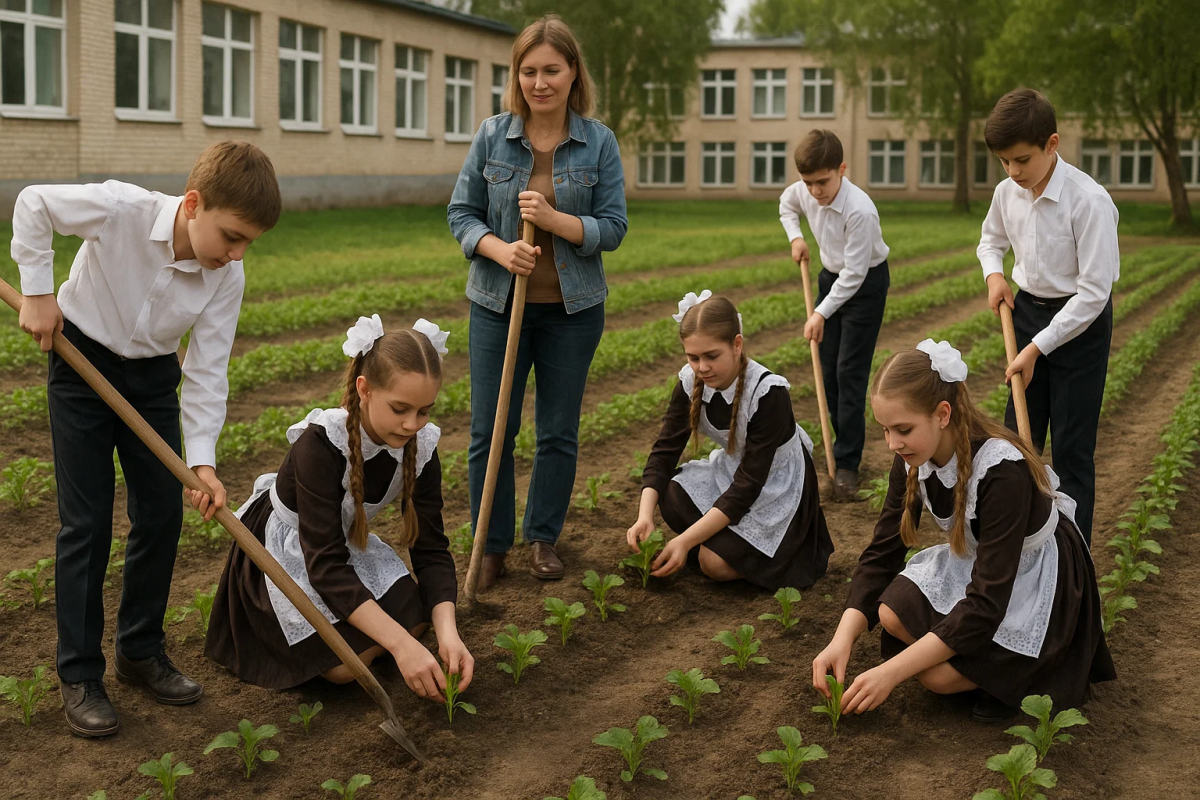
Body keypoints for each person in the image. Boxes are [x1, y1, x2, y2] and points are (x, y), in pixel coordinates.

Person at [10, 141, 281, 738]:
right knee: (86, 524)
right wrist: (38, 292)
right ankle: (80, 674)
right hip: (81, 364)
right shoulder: (121, 209)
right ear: (194, 204)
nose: (237, 253)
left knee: (161, 515)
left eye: (248, 243)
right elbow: (33, 204)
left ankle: (139, 650)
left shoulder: (226, 275)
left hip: (153, 380)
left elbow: (207, 369)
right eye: (232, 236)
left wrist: (202, 463)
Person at [812, 343, 1115, 723]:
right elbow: (881, 554)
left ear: (943, 414)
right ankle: (978, 664)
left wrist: (891, 672)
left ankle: (1021, 672)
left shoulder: (1001, 472)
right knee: (889, 613)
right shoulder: (911, 460)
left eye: (903, 429)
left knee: (935, 678)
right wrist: (841, 640)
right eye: (885, 430)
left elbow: (988, 602)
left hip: (1034, 580)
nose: (892, 443)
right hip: (984, 565)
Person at [447, 14, 627, 588]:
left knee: (557, 431)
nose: (540, 82)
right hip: (498, 306)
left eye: (551, 70)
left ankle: (543, 537)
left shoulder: (598, 142)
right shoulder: (492, 135)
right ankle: (490, 542)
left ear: (573, 72)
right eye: (529, 71)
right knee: (490, 430)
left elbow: (613, 227)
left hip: (573, 312)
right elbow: (461, 214)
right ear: (516, 75)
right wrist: (499, 250)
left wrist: (555, 220)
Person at [205, 317, 473, 702]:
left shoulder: (422, 448)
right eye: (400, 408)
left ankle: (379, 636)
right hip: (287, 553)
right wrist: (400, 646)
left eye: (424, 411)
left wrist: (449, 634)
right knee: (349, 665)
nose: (411, 424)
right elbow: (325, 565)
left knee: (417, 619)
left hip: (338, 544)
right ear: (364, 389)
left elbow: (431, 548)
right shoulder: (321, 444)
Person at [978, 87, 1120, 546]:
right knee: (1017, 443)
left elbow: (1094, 293)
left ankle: (1073, 555)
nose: (1013, 171)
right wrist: (994, 275)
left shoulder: (1089, 201)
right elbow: (990, 241)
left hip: (1079, 325)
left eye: (1022, 159)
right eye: (1004, 161)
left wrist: (1038, 348)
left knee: (1072, 448)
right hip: (1026, 314)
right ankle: (1015, 545)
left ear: (1052, 144)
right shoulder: (1007, 192)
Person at [626, 292, 834, 591]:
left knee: (713, 564)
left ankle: (771, 553)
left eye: (711, 356)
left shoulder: (768, 393)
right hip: (734, 472)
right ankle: (726, 543)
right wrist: (644, 517)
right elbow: (664, 451)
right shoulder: (690, 382)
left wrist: (684, 540)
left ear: (737, 345)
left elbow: (748, 486)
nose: (702, 367)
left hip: (776, 486)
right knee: (671, 495)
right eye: (693, 357)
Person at [779, 129, 891, 501]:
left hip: (865, 286)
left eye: (823, 182)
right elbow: (786, 204)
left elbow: (855, 275)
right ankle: (834, 444)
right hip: (831, 278)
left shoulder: (860, 210)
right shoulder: (804, 191)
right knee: (827, 369)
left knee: (849, 373)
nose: (814, 191)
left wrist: (819, 313)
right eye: (808, 182)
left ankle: (847, 464)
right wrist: (796, 237)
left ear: (841, 169)